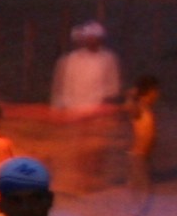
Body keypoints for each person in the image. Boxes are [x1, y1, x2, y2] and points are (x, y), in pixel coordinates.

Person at [49, 21, 122, 189]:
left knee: (97, 147)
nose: (91, 41)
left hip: (97, 108)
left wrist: (106, 108)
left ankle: (95, 178)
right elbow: (62, 85)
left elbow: (113, 86)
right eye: (87, 38)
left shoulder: (108, 58)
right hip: (75, 108)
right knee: (80, 146)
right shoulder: (70, 60)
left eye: (94, 38)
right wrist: (59, 108)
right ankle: (82, 180)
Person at [123, 74, 161, 216]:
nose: (158, 94)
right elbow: (128, 107)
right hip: (137, 157)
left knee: (144, 193)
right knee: (139, 194)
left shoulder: (146, 107)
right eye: (155, 91)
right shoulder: (138, 108)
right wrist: (133, 94)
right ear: (149, 92)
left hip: (144, 157)